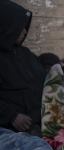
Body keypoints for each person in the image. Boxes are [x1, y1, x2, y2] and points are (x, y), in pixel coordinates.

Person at [0, 1, 46, 136]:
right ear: (7, 27)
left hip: (43, 120)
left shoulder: (24, 53)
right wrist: (12, 116)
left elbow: (42, 76)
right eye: (20, 27)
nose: (25, 31)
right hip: (15, 128)